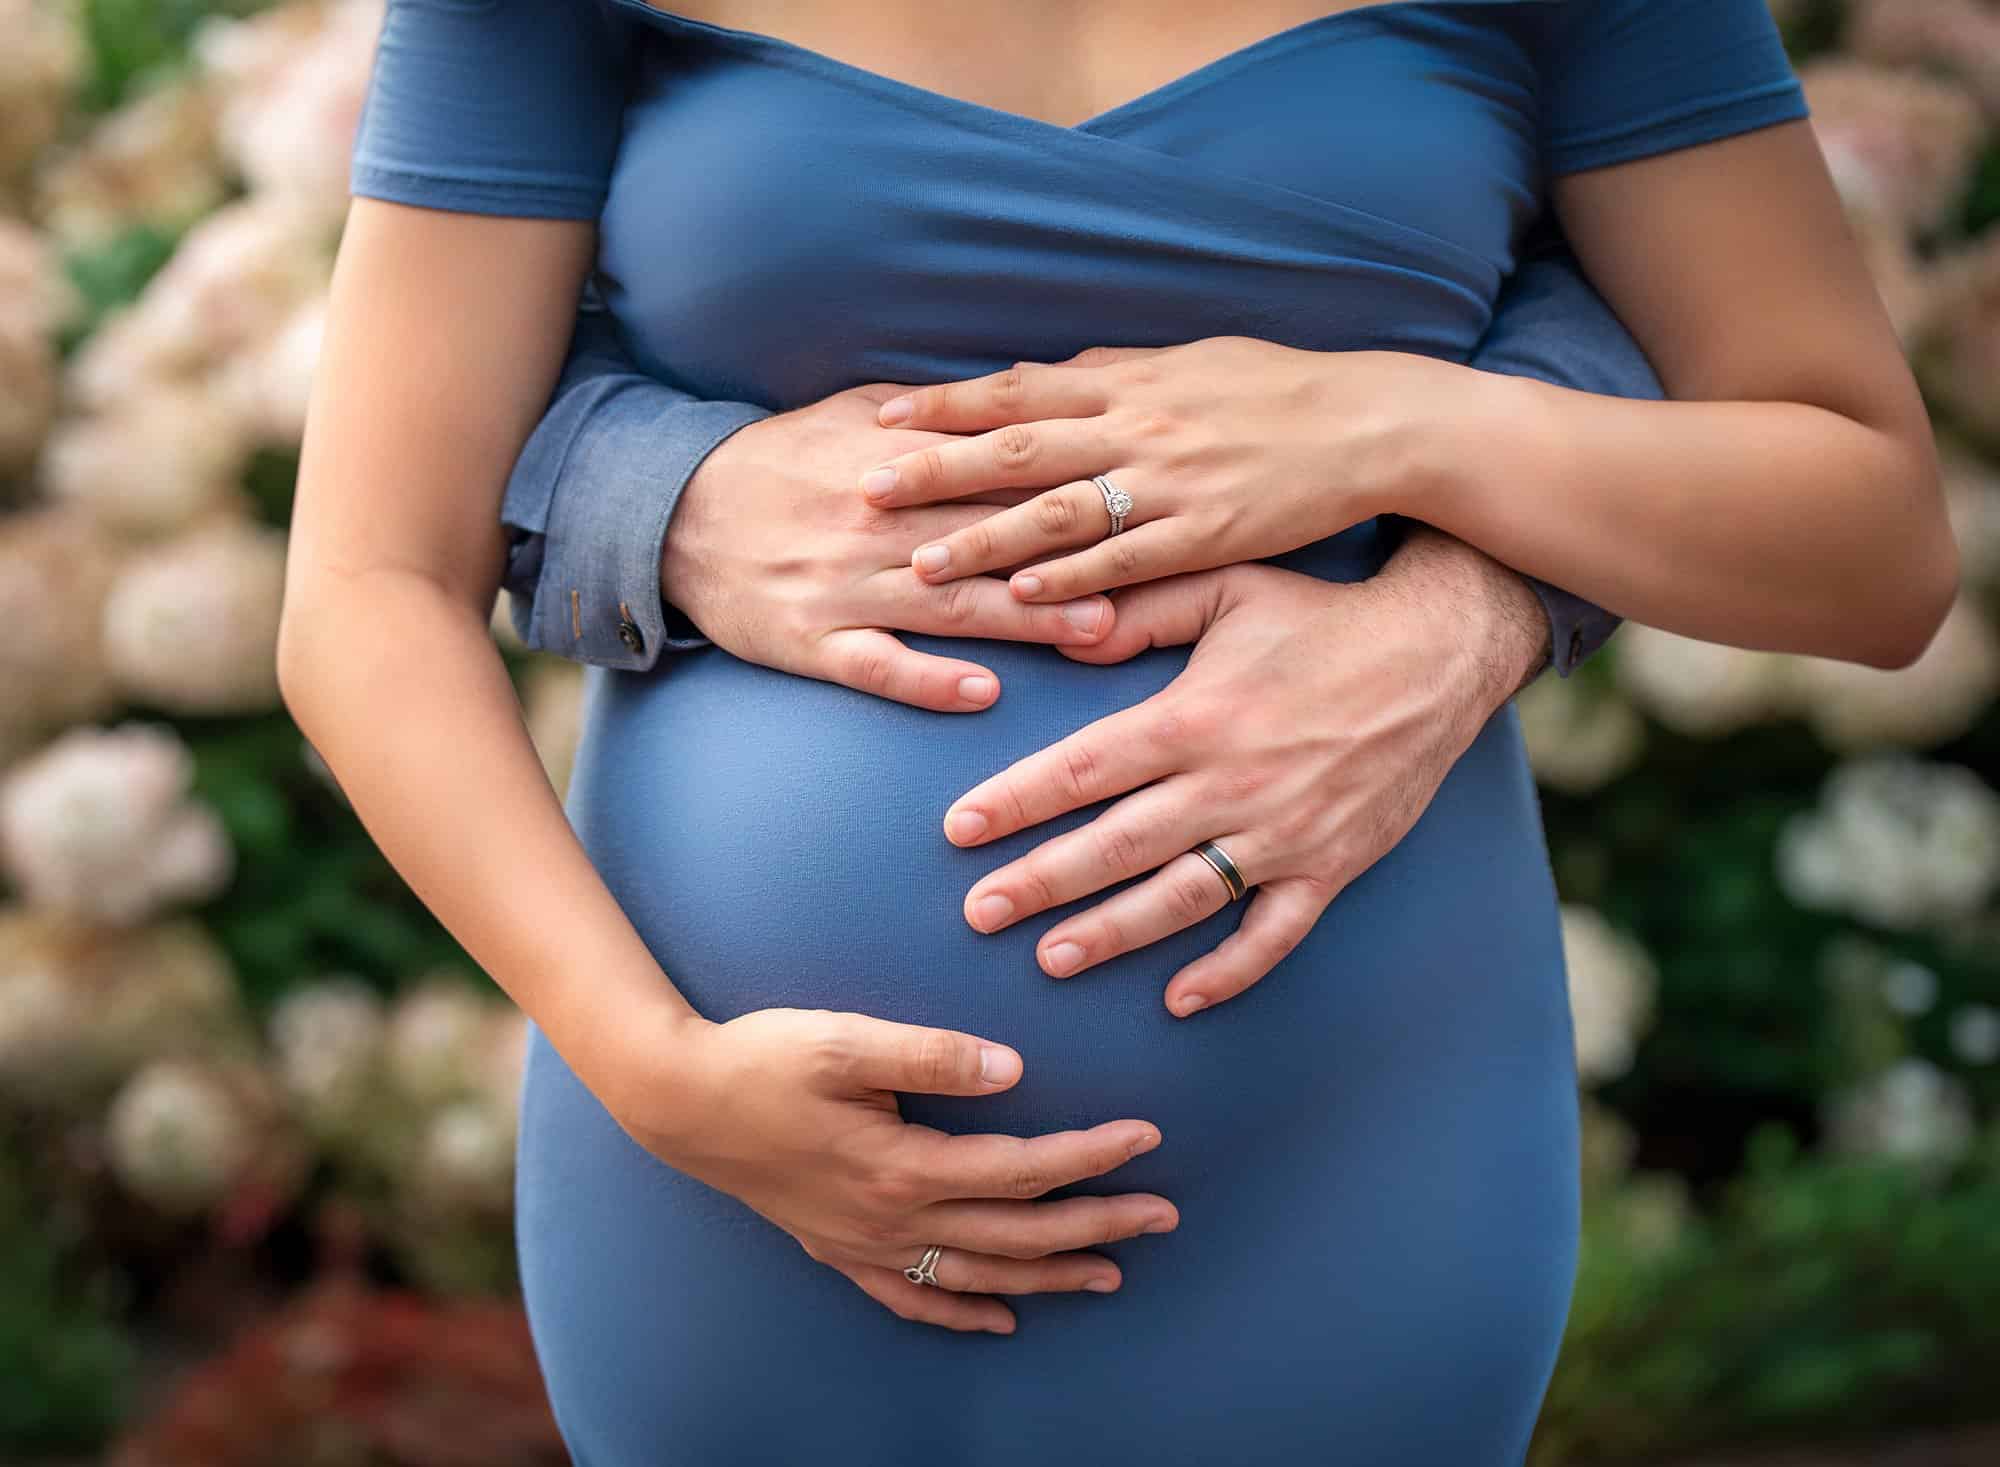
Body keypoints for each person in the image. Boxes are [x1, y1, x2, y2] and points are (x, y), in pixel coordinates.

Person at [283, 3, 1958, 1464]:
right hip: (739, 1177)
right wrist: (653, 1070)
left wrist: (1400, 428)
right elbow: (366, 586)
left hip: (1351, 1160)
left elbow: (1874, 544)